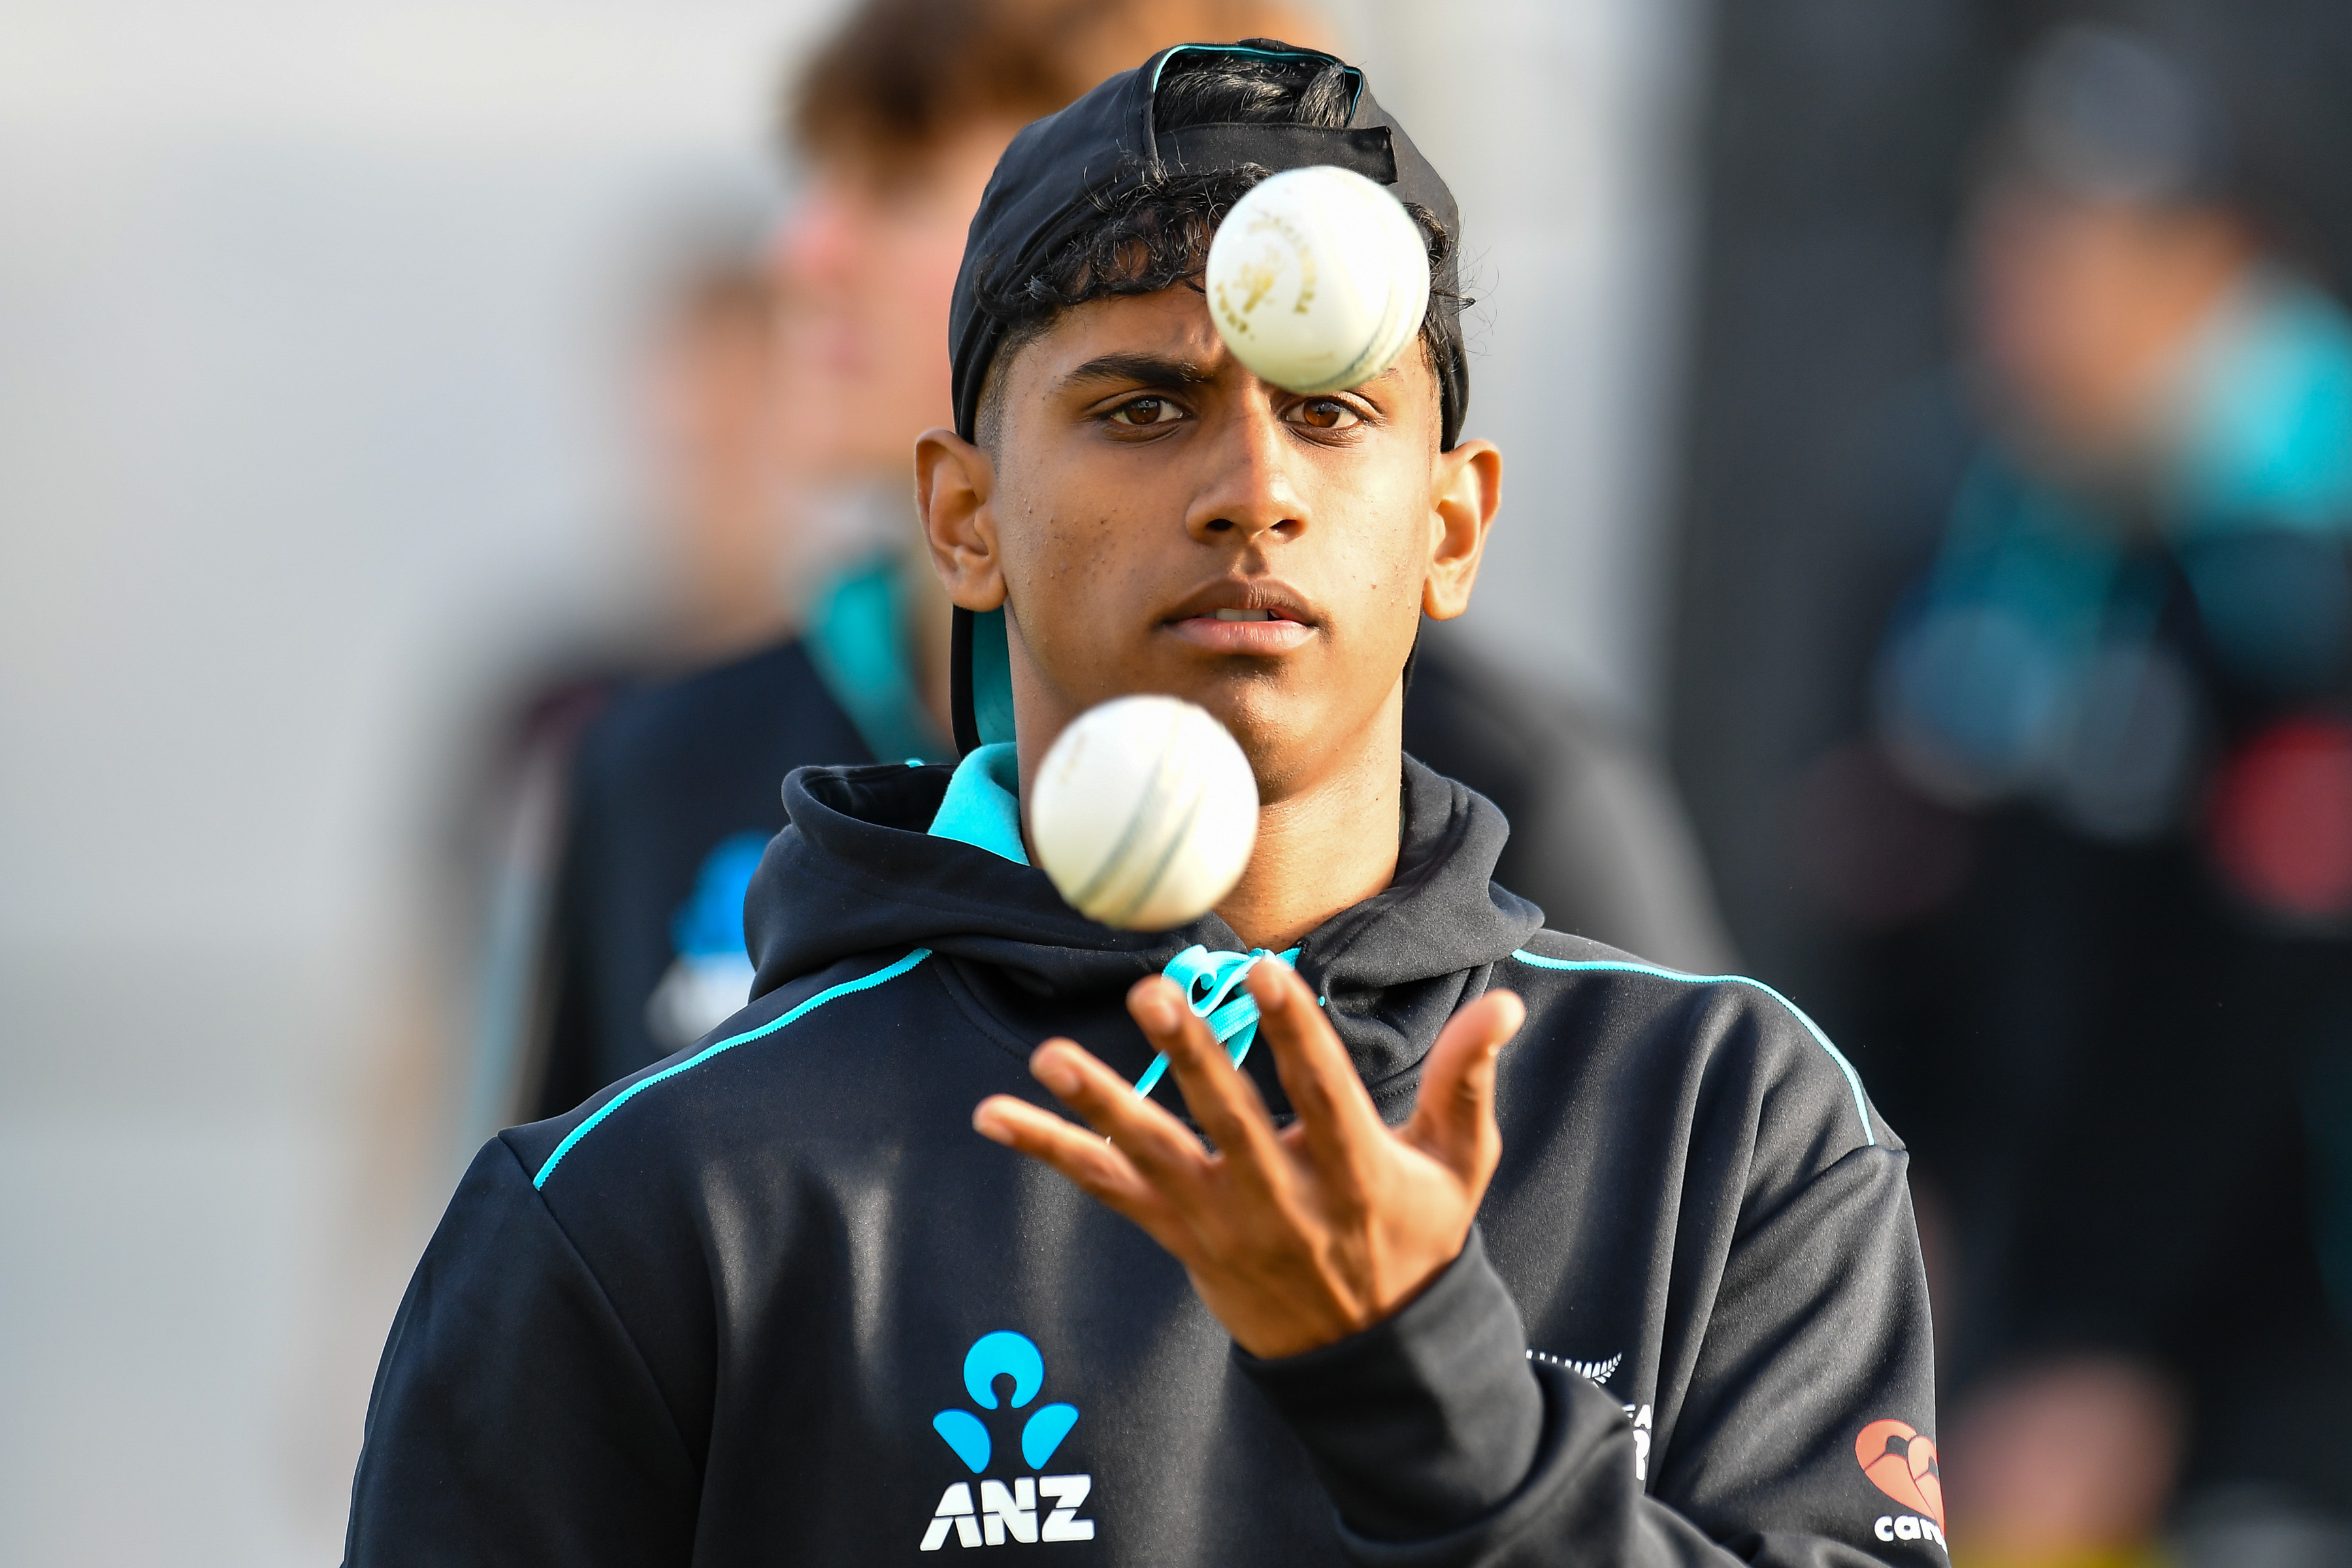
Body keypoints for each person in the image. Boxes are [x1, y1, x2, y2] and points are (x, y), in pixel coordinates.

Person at [345, 42, 1935, 1565]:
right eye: (1143, 408)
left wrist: (1433, 1400)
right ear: (963, 520)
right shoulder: (647, 1205)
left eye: (1330, 409)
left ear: (1454, 527)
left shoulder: (1735, 1131)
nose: (1253, 489)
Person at [522, 0, 1735, 1120]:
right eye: (821, 179)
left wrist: (1412, 1298)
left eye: (898, 183)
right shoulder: (656, 764)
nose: (803, 254)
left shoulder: (1515, 788)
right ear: (959, 514)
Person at [1799, 25, 2352, 1566]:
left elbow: (2259, 1009)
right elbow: (1904, 902)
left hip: (2277, 1375)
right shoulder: (1969, 520)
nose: (2028, 291)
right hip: (2018, 1330)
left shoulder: (2303, 561)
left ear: (2210, 270)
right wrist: (1881, 1219)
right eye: (2015, 238)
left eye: (2087, 250)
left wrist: (2110, 1344)